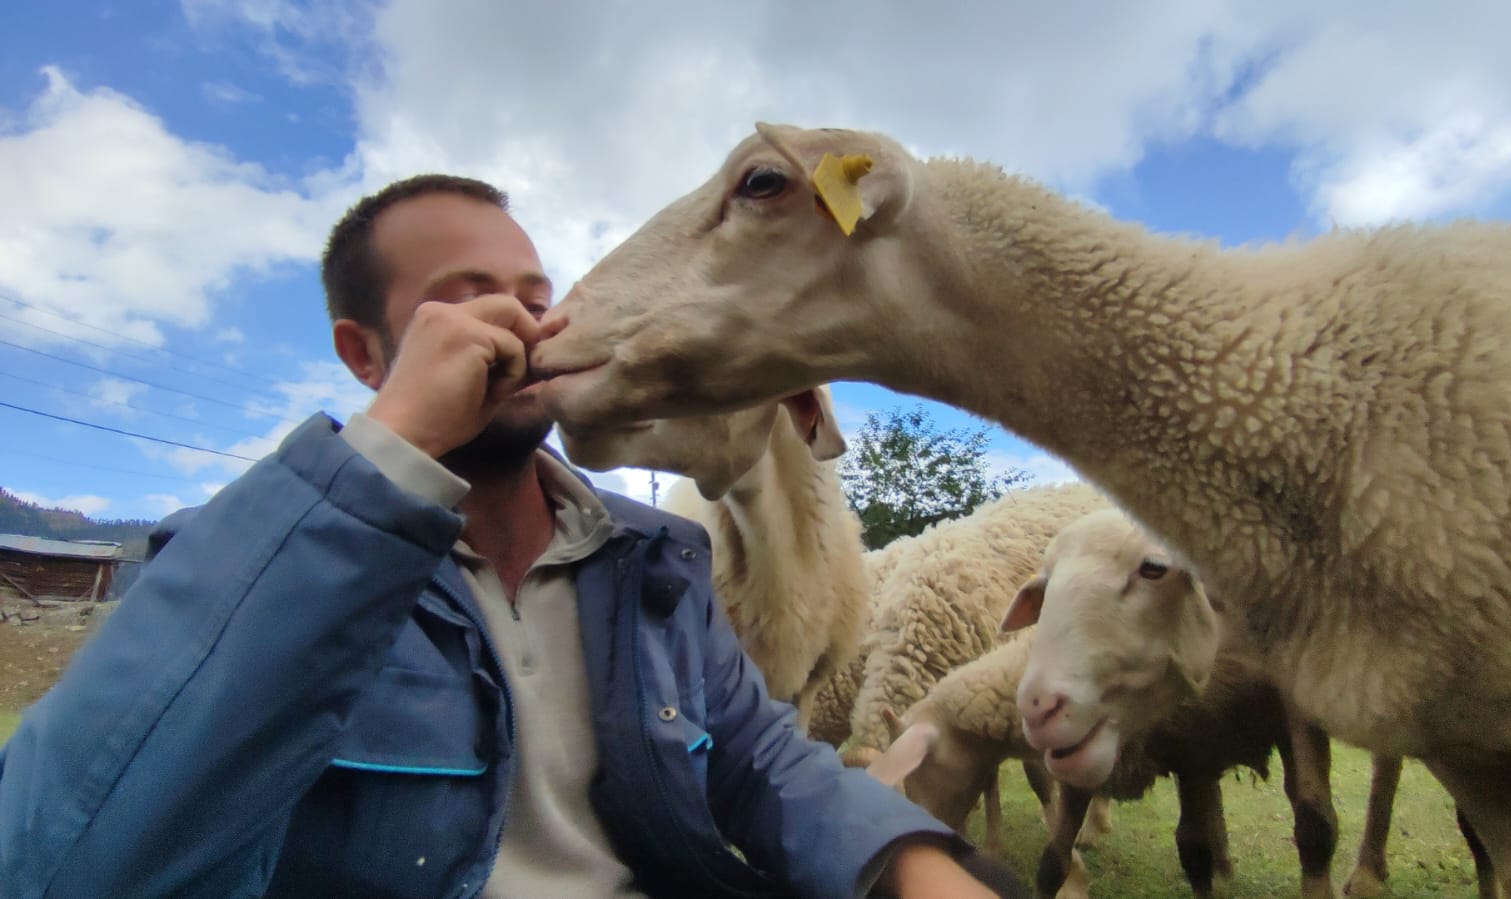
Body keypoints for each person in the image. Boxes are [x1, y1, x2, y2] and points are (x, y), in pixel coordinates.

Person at [0, 174, 1027, 899]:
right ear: (366, 355)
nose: (524, 323)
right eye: (464, 298)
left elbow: (761, 762)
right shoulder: (252, 569)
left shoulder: (651, 564)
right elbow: (71, 852)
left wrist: (912, 862)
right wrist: (394, 445)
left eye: (539, 298)